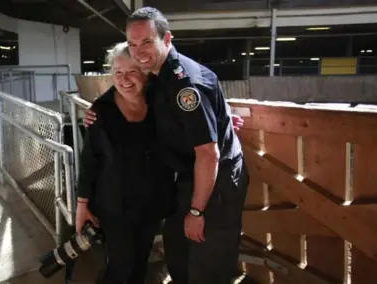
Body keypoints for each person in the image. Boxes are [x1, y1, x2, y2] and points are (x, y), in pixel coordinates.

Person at [84, 7, 249, 284]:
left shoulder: (184, 85)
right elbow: (129, 83)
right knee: (178, 256)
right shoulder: (158, 74)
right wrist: (98, 109)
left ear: (167, 39)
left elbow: (209, 154)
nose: (139, 51)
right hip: (188, 179)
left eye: (147, 42)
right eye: (133, 44)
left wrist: (197, 211)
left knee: (207, 267)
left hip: (214, 182)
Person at [75, 41, 175, 284]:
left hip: (151, 202)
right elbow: (90, 161)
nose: (125, 79)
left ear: (145, 72)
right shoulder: (101, 110)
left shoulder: (159, 101)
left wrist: (224, 116)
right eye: (118, 73)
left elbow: (192, 108)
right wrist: (81, 205)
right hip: (115, 206)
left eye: (132, 71)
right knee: (122, 265)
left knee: (140, 263)